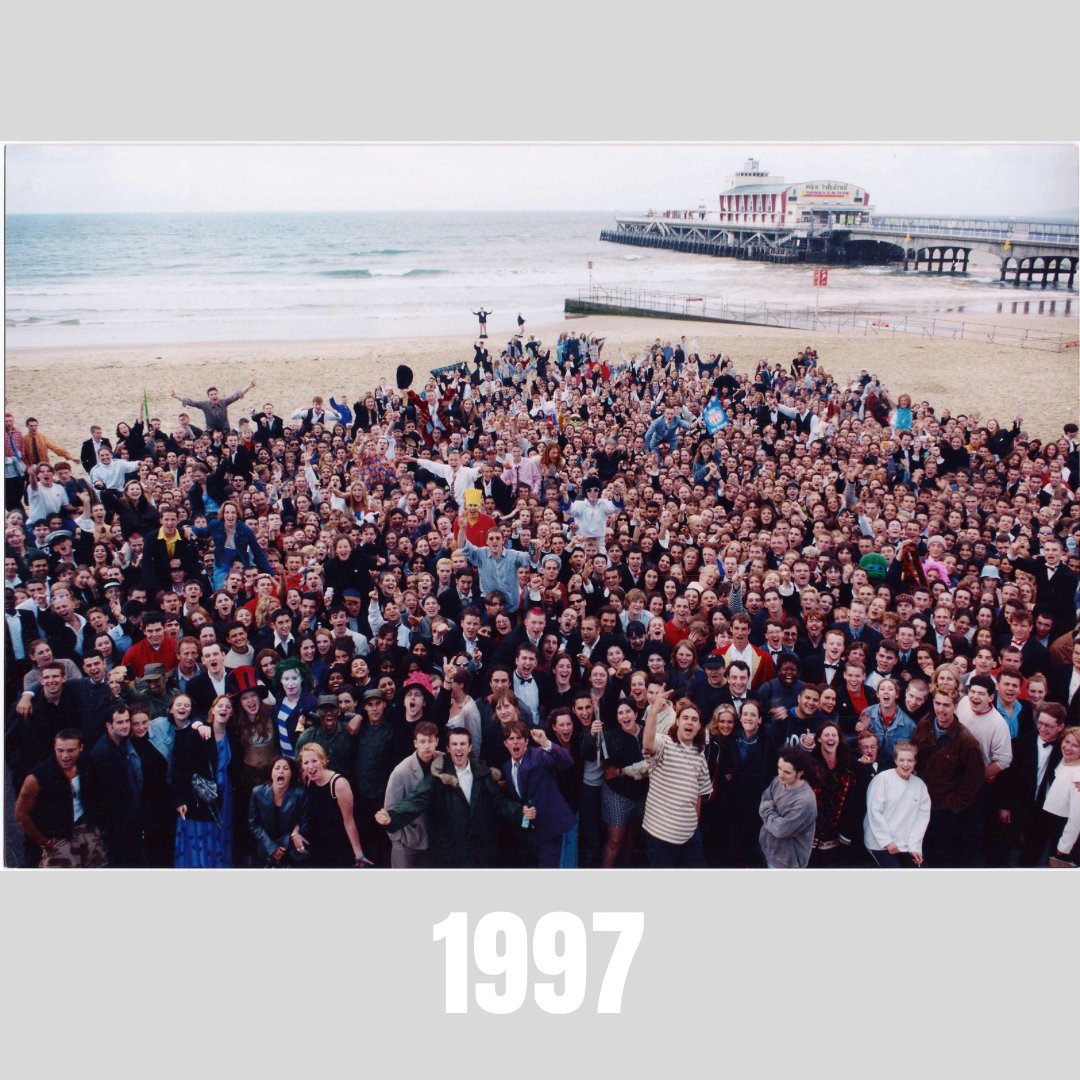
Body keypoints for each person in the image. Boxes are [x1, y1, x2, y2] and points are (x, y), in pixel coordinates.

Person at [375, 728, 527, 868]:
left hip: (480, 850)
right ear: (448, 749)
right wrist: (392, 817)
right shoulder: (437, 777)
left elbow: (499, 803)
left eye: (462, 744)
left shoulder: (482, 773)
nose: (458, 748)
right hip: (451, 851)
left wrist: (521, 812)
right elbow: (416, 800)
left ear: (469, 747)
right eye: (454, 744)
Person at [13, 728, 108, 868]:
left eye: (70, 750)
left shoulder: (86, 766)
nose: (64, 756)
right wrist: (44, 842)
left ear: (81, 748)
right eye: (60, 750)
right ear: (54, 747)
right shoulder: (36, 778)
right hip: (57, 837)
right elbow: (20, 815)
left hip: (86, 830)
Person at [640, 695, 712, 867]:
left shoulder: (699, 754)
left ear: (699, 726)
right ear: (677, 721)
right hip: (660, 835)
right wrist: (654, 713)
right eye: (685, 718)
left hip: (688, 837)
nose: (690, 722)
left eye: (694, 719)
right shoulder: (663, 743)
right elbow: (648, 745)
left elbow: (700, 794)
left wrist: (693, 823)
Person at [501, 718, 575, 868]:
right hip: (526, 833)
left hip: (548, 829)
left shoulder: (539, 755)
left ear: (526, 741)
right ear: (505, 743)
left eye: (519, 738)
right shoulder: (506, 767)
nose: (515, 742)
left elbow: (567, 762)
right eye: (511, 739)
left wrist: (546, 743)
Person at [173, 694, 236, 868]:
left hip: (224, 802)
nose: (224, 709)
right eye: (220, 705)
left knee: (220, 842)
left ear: (231, 713)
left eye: (228, 707)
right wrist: (180, 800)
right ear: (212, 710)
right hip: (199, 801)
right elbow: (180, 769)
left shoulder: (232, 736)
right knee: (198, 846)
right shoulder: (198, 733)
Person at [298, 743, 372, 868]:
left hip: (338, 843)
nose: (310, 767)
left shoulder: (339, 784)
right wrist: (296, 832)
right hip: (316, 841)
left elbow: (349, 821)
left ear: (323, 761)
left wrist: (358, 854)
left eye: (314, 761)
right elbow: (301, 811)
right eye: (306, 763)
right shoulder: (306, 778)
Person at [381, 720, 440, 868]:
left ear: (437, 742)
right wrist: (398, 839)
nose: (427, 746)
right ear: (415, 743)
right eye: (422, 741)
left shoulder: (443, 760)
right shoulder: (400, 771)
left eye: (430, 741)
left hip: (434, 837)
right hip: (407, 841)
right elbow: (390, 808)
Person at [863, 741, 931, 867]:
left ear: (915, 762)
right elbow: (875, 812)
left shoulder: (919, 785)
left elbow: (921, 819)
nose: (905, 764)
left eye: (910, 760)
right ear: (895, 760)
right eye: (901, 760)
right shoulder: (882, 780)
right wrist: (886, 842)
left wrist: (915, 847)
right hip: (879, 843)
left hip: (905, 844)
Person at [758, 746, 818, 869]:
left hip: (787, 862)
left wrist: (767, 811)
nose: (780, 775)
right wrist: (772, 814)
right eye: (779, 768)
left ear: (800, 773)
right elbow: (765, 798)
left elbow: (780, 830)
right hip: (769, 851)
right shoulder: (778, 781)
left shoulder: (805, 801)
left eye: (787, 772)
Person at [247, 756, 310, 868]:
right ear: (271, 773)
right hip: (265, 848)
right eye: (277, 768)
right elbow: (254, 823)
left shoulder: (300, 793)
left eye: (286, 768)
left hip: (290, 849)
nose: (281, 771)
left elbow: (304, 821)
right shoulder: (257, 792)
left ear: (291, 774)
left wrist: (282, 846)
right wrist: (272, 847)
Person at [1043, 725, 1080, 867]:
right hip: (1052, 823)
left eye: (1075, 745)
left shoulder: (1078, 775)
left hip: (1064, 830)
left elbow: (1077, 817)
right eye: (1067, 741)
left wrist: (1063, 848)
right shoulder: (1065, 762)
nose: (1068, 748)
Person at [169, 381, 256, 434]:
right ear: (208, 396)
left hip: (225, 430)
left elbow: (236, 396)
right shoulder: (204, 405)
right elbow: (191, 402)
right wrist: (176, 396)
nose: (214, 396)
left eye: (215, 394)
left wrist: (250, 386)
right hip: (210, 431)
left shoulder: (224, 402)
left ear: (218, 395)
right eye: (211, 395)